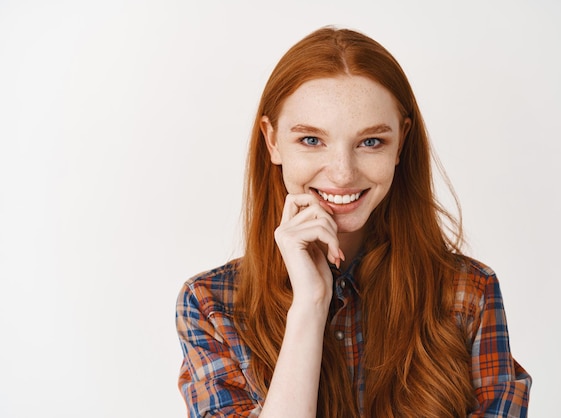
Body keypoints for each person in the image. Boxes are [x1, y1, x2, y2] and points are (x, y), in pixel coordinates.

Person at [175, 25, 531, 417]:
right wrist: (310, 305)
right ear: (272, 140)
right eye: (311, 140)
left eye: (370, 142)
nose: (343, 174)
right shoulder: (211, 305)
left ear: (401, 142)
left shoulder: (468, 294)